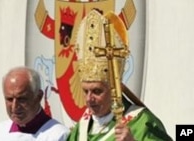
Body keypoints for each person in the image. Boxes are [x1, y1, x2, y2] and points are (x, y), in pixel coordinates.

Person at [67, 9, 172, 141]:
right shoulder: (81, 129)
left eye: (97, 91)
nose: (89, 99)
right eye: (85, 91)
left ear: (114, 88)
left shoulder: (141, 122)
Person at [0, 66, 70, 141]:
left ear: (38, 97)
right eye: (9, 99)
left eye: (21, 99)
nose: (14, 106)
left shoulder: (59, 135)